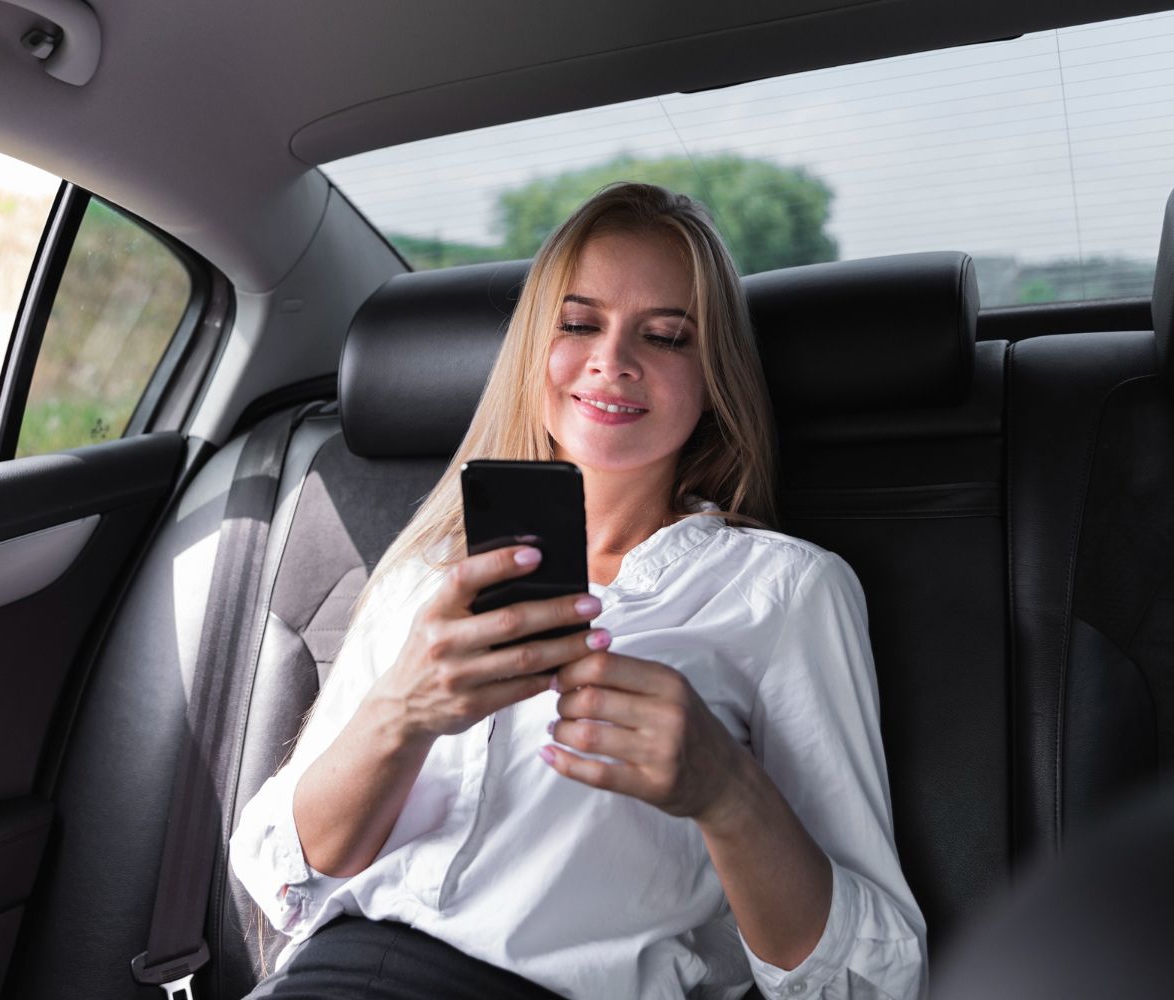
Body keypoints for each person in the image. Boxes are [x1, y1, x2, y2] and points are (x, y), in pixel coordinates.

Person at [230, 183, 925, 999]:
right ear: (535, 349)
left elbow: (871, 982)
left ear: (713, 378)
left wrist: (728, 793)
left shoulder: (784, 592)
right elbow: (285, 871)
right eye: (579, 323)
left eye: (665, 336)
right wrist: (401, 711)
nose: (612, 359)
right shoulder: (429, 572)